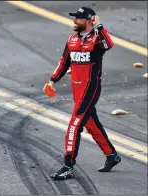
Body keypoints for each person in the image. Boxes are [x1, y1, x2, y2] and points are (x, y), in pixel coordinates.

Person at [43, 7, 121, 180]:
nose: (74, 21)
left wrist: (99, 26)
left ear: (88, 21)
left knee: (74, 125)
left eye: (78, 18)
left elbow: (109, 44)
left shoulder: (97, 39)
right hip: (77, 90)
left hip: (91, 89)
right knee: (90, 123)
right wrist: (52, 80)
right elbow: (64, 63)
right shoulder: (71, 40)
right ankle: (111, 155)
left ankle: (68, 166)